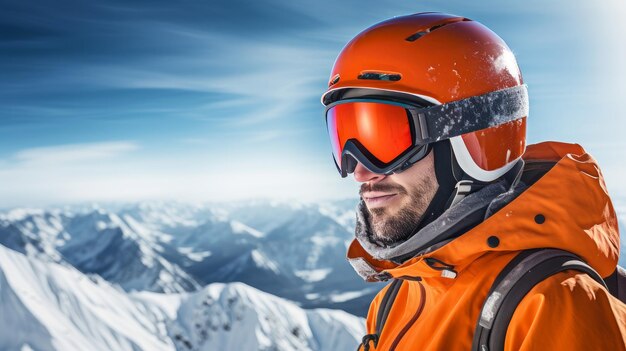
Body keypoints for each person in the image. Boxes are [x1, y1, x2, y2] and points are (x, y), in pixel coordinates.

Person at [322, 12, 626, 350]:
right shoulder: (395, 298)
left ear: (473, 142)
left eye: (384, 138)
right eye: (345, 137)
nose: (359, 171)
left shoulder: (550, 302)